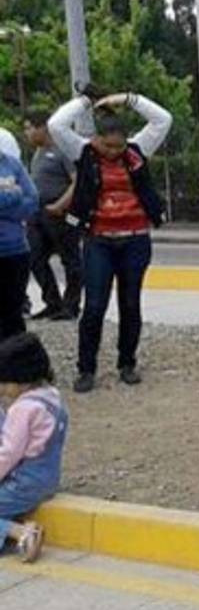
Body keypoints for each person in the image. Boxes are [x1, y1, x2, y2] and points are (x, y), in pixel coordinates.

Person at [47, 91, 172, 394]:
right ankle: (86, 368)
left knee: (130, 304)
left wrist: (128, 99)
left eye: (119, 146)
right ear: (96, 139)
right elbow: (56, 124)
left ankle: (127, 363)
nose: (113, 152)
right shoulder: (83, 151)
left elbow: (163, 119)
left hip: (135, 240)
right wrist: (88, 100)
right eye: (107, 145)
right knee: (94, 306)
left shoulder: (138, 151)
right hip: (98, 241)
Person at [0, 333, 67, 564]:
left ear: (22, 380)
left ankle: (21, 533)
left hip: (23, 483)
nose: (2, 389)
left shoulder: (23, 409)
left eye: (5, 383)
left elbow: (8, 453)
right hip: (47, 479)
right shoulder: (52, 397)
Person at [23, 112, 81, 322]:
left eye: (29, 128)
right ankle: (52, 302)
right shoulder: (38, 153)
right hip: (38, 214)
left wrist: (60, 205)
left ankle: (71, 305)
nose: (27, 133)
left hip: (61, 214)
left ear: (43, 128)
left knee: (70, 260)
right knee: (34, 257)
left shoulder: (62, 150)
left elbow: (77, 181)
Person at [0, 151, 39, 340]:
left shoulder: (12, 164)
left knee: (13, 314)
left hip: (15, 251)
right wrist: (14, 194)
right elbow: (22, 197)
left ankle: (12, 355)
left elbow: (32, 202)